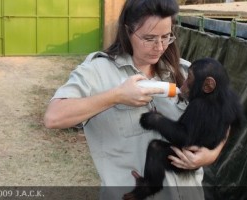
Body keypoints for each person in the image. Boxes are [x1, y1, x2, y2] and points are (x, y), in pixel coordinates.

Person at [44, 0, 227, 199]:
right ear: (127, 31)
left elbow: (223, 116)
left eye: (166, 37)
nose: (159, 47)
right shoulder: (97, 71)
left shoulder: (185, 72)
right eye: (149, 38)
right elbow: (53, 117)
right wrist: (117, 96)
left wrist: (211, 154)